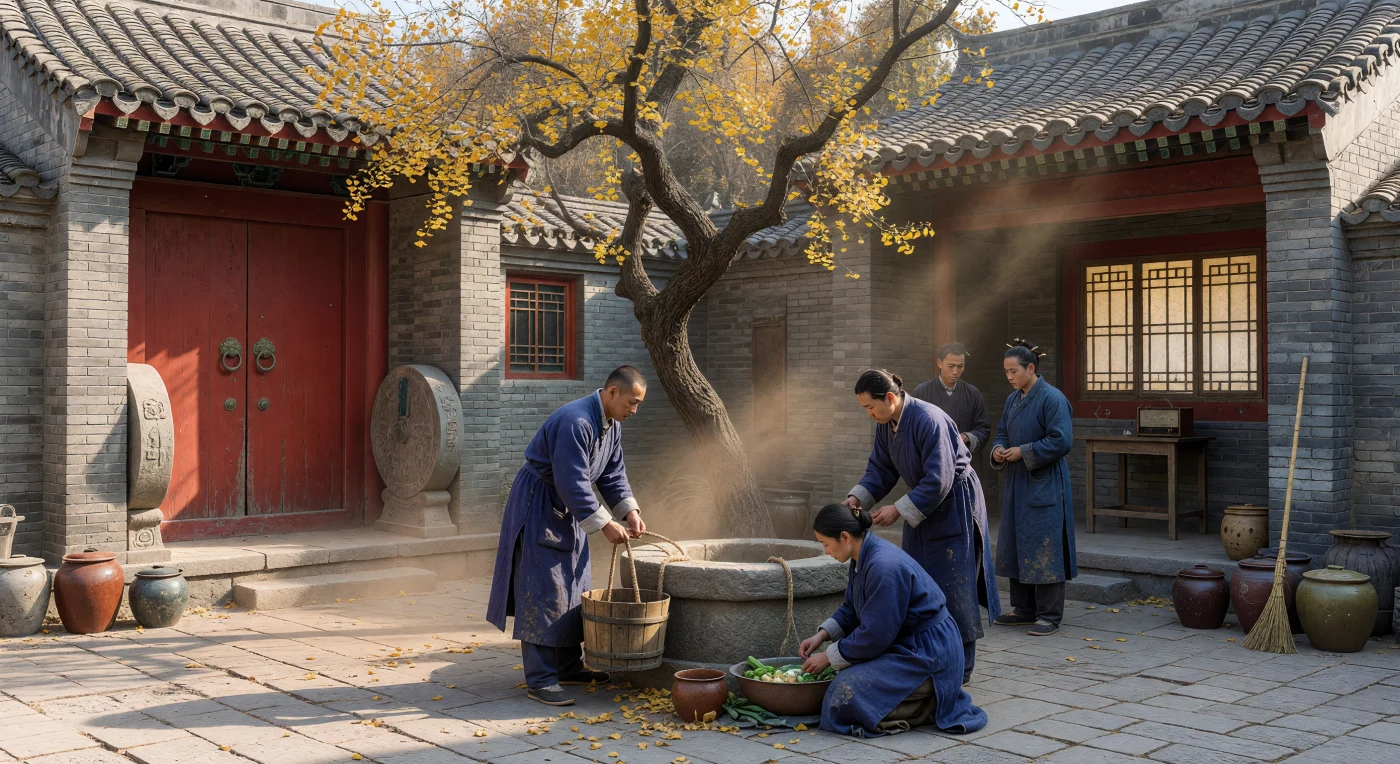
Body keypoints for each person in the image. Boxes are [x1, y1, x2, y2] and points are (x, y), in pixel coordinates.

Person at [486, 366, 648, 706]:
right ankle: (541, 680)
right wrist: (605, 524)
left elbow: (612, 474)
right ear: (612, 392)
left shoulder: (612, 425)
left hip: (571, 509)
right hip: (540, 504)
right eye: (632, 402)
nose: (634, 411)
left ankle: (568, 666)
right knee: (544, 588)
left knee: (574, 586)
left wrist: (629, 512)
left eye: (638, 405)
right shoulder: (576, 421)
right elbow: (571, 480)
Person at [843, 369, 1000, 684]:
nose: (868, 413)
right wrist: (857, 498)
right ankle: (929, 655)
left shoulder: (929, 419)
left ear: (890, 397)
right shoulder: (887, 424)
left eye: (870, 406)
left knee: (953, 584)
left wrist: (898, 509)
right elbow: (880, 468)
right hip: (922, 504)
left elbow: (940, 478)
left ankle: (961, 666)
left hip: (954, 503)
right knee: (918, 579)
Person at [799, 503, 987, 737]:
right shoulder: (861, 556)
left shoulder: (882, 566)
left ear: (845, 537)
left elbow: (875, 636)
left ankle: (929, 704)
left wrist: (828, 657)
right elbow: (852, 607)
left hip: (930, 653)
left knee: (844, 690)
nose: (826, 551)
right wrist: (822, 635)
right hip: (909, 644)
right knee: (845, 677)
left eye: (826, 544)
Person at [990, 340, 1077, 636]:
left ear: (1031, 368)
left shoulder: (1052, 398)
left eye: (1013, 371)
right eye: (1006, 372)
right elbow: (1002, 431)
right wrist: (999, 449)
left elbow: (1061, 441)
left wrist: (1024, 451)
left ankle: (1049, 615)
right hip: (1017, 481)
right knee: (1016, 541)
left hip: (1045, 481)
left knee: (1045, 543)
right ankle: (1023, 609)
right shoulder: (1012, 400)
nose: (1009, 377)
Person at [911, 342, 991, 459]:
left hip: (963, 460)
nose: (955, 371)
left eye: (960, 366)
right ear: (939, 363)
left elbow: (983, 429)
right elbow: (911, 429)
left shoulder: (973, 394)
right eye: (951, 366)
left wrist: (968, 437)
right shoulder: (921, 392)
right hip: (931, 459)